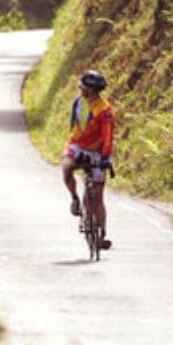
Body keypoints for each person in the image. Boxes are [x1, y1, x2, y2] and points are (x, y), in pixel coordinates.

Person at [61, 70, 115, 249]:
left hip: (96, 151)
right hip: (77, 145)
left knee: (98, 197)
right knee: (67, 167)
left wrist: (105, 157)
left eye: (83, 88)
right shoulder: (78, 102)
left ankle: (101, 235)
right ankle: (75, 198)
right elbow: (73, 125)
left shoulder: (105, 111)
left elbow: (108, 137)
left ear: (92, 91)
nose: (80, 89)